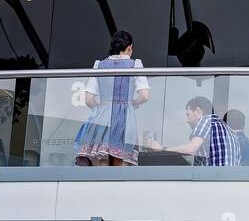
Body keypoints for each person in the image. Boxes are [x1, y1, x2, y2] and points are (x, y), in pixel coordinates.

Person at [74, 31, 151, 166]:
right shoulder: (135, 64)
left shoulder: (99, 65)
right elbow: (145, 95)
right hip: (125, 117)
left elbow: (88, 99)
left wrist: (101, 108)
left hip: (101, 117)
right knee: (121, 164)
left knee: (100, 162)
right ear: (129, 47)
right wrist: (132, 103)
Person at [147, 97, 239, 167]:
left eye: (188, 115)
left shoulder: (206, 121)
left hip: (210, 182)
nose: (187, 121)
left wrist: (162, 148)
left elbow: (190, 150)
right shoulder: (230, 132)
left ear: (198, 112)